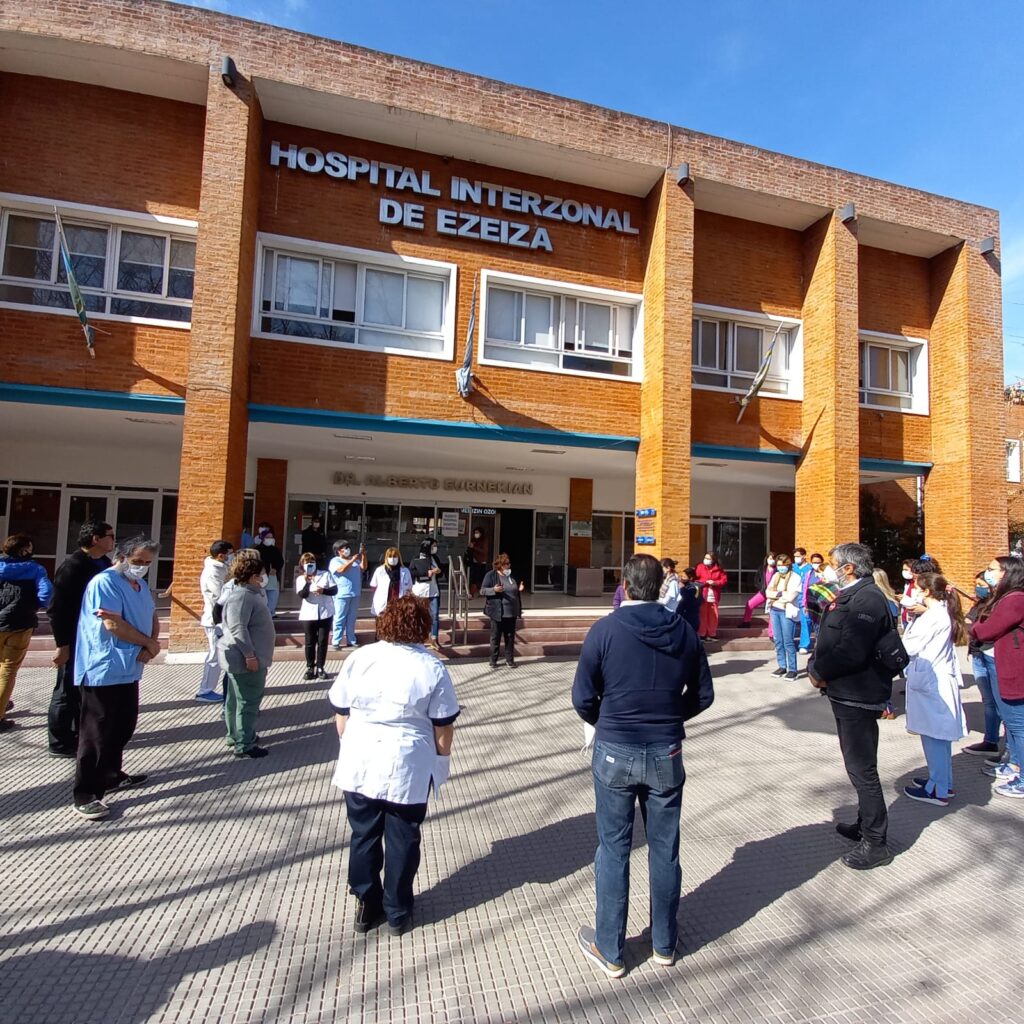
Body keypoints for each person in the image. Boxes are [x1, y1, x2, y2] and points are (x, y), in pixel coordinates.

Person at [571, 554, 714, 977]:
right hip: (666, 749)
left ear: (626, 586)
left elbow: (582, 698)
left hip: (616, 747)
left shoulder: (605, 630)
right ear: (660, 586)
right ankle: (664, 944)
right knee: (665, 850)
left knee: (613, 848)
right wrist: (669, 716)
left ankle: (610, 949)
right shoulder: (683, 631)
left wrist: (608, 720)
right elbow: (703, 695)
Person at [327, 595, 460, 936]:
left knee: (363, 834)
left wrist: (349, 743)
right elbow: (443, 724)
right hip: (408, 762)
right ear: (422, 626)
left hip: (361, 756)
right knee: (403, 837)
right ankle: (398, 911)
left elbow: (340, 712)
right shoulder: (431, 666)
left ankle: (365, 903)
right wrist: (441, 762)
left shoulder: (361, 658)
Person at [808, 542, 896, 870]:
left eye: (833, 564)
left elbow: (852, 650)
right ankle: (865, 823)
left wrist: (819, 672)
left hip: (858, 694)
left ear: (848, 568)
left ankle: (876, 842)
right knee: (857, 765)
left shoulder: (868, 598)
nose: (829, 570)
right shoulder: (852, 594)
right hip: (845, 692)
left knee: (862, 768)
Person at [72, 536, 161, 820]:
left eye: (147, 563)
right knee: (96, 733)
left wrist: (152, 643)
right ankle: (86, 793)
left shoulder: (140, 585)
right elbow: (113, 624)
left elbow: (152, 615)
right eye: (137, 562)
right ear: (122, 557)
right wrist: (147, 643)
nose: (142, 567)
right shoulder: (105, 582)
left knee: (123, 725)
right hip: (104, 667)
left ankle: (111, 774)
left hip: (129, 666)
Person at [46, 520, 115, 756]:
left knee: (83, 688)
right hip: (74, 637)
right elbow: (57, 609)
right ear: (95, 539)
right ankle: (60, 741)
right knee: (66, 689)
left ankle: (79, 733)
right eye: (110, 536)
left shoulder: (103, 563)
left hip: (92, 637)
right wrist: (62, 645)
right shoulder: (73, 566)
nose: (113, 541)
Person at [901, 572, 968, 806]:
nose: (914, 592)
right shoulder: (937, 612)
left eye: (917, 588)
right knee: (936, 735)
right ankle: (942, 781)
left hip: (931, 681)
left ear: (927, 591)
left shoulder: (933, 617)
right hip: (933, 678)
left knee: (935, 735)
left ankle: (937, 789)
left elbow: (910, 645)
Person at [969, 555, 1024, 798]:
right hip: (1001, 661)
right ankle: (1014, 764)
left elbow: (988, 628)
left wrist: (975, 628)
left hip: (1013, 666)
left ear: (1006, 573)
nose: (987, 573)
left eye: (992, 569)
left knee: (1017, 724)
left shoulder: (1014, 599)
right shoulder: (1004, 597)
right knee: (1012, 722)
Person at [217, 549, 275, 759]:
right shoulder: (242, 596)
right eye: (261, 575)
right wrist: (250, 655)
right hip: (246, 659)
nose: (263, 578)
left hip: (246, 657)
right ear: (252, 576)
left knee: (236, 700)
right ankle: (244, 743)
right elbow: (238, 628)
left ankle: (237, 735)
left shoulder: (248, 594)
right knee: (247, 702)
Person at [0, 533, 53, 733]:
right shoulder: (35, 569)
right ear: (24, 550)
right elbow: (46, 593)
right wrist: (36, 605)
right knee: (8, 669)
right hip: (20, 623)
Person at [963, 570, 1004, 757]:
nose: (978, 589)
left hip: (994, 655)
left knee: (1002, 703)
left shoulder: (1002, 602)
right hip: (978, 654)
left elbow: (983, 628)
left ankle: (1012, 753)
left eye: (981, 585)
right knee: (988, 701)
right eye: (977, 585)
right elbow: (967, 622)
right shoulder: (979, 604)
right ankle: (991, 740)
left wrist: (976, 627)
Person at [196, 540, 233, 704]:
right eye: (230, 553)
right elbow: (220, 596)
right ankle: (205, 690)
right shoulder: (213, 571)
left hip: (220, 619)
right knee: (214, 655)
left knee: (218, 655)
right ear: (221, 555)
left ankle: (208, 688)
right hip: (214, 620)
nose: (231, 557)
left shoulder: (220, 568)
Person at [296, 551, 337, 680]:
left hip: (325, 612)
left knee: (323, 641)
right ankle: (310, 667)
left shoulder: (325, 574)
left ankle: (320, 667)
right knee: (310, 641)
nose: (310, 565)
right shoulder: (300, 579)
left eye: (312, 563)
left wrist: (323, 590)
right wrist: (308, 582)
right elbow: (302, 594)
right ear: (302, 565)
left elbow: (334, 590)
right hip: (309, 614)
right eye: (307, 563)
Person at [481, 553, 524, 668]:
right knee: (496, 637)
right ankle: (493, 660)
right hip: (497, 612)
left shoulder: (512, 576)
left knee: (510, 637)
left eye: (509, 564)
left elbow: (514, 589)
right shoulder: (491, 575)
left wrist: (519, 589)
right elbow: (483, 591)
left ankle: (509, 660)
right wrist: (493, 590)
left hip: (511, 612)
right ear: (500, 565)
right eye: (505, 564)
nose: (508, 566)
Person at [764, 554, 802, 679]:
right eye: (779, 565)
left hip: (787, 611)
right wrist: (780, 594)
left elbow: (791, 597)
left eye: (783, 565)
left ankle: (793, 669)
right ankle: (782, 666)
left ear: (788, 565)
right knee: (778, 641)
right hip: (774, 610)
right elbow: (768, 592)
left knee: (788, 642)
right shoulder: (776, 576)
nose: (781, 568)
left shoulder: (795, 577)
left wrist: (776, 594)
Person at [872, 568, 902, 720]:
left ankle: (885, 707)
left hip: (880, 643)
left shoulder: (882, 601)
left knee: (879, 676)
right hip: (888, 643)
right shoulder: (891, 600)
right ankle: (886, 706)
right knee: (883, 677)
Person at [329, 539, 367, 650]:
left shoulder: (354, 559)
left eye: (348, 547)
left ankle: (351, 639)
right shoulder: (335, 561)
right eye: (344, 548)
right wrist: (351, 561)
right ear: (338, 551)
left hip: (355, 592)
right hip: (341, 593)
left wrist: (363, 555)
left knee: (352, 617)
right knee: (340, 617)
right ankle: (336, 640)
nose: (347, 550)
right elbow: (341, 570)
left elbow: (363, 567)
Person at [409, 537, 445, 649]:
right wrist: (426, 572)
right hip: (420, 591)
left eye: (435, 546)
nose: (435, 548)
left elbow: (441, 572)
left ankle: (434, 639)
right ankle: (417, 638)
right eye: (433, 546)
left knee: (434, 616)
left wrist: (438, 571)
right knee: (418, 615)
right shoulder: (417, 558)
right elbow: (412, 572)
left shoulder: (435, 558)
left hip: (433, 591)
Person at [370, 548, 412, 619]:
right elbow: (373, 586)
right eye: (390, 557)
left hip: (399, 604)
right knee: (383, 626)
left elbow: (409, 588)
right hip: (384, 603)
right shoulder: (380, 570)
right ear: (386, 558)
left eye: (395, 557)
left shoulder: (405, 571)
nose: (392, 559)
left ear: (399, 557)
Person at [694, 552, 727, 641]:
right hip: (703, 594)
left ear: (713, 560)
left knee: (713, 615)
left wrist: (715, 583)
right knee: (702, 614)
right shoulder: (700, 567)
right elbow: (696, 579)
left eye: (708, 558)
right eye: (705, 558)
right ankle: (702, 633)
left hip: (713, 594)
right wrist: (706, 582)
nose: (706, 560)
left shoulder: (719, 569)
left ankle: (712, 633)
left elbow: (724, 580)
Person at [741, 554, 775, 629]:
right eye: (770, 558)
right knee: (749, 604)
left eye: (773, 558)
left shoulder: (777, 570)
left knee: (772, 611)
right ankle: (746, 622)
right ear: (766, 559)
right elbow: (756, 581)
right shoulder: (762, 569)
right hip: (763, 592)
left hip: (773, 594)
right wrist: (761, 588)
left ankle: (772, 630)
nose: (771, 560)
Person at [255, 527, 283, 616]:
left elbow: (280, 561)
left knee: (273, 595)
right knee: (263, 595)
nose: (270, 539)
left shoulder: (275, 549)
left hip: (272, 576)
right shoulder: (258, 549)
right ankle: (263, 613)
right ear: (263, 538)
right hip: (261, 576)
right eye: (268, 537)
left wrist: (276, 568)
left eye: (271, 537)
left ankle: (271, 612)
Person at [792, 547, 813, 652]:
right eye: (795, 556)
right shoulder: (792, 567)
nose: (796, 558)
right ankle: (789, 643)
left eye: (798, 556)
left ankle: (804, 645)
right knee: (790, 620)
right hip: (792, 597)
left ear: (804, 556)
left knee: (805, 621)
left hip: (803, 598)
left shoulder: (810, 568)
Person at [677, 567, 702, 635]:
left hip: (690, 615)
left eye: (684, 577)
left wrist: (682, 589)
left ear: (691, 578)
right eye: (681, 576)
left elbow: (688, 598)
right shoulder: (684, 585)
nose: (682, 578)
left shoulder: (694, 587)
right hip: (683, 613)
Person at [466, 527, 489, 597]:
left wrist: (474, 547)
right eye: (475, 533)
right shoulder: (474, 540)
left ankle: (472, 593)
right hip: (474, 562)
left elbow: (484, 552)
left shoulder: (484, 541)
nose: (476, 534)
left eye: (477, 533)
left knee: (477, 579)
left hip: (481, 562)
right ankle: (474, 593)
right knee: (475, 578)